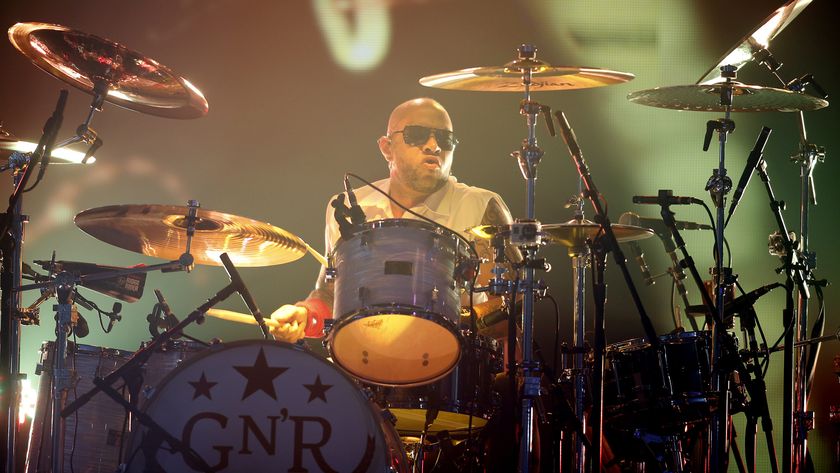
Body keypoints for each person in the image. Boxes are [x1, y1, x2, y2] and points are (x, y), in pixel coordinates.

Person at [269, 97, 516, 342]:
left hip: (451, 366)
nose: (433, 145)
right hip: (365, 360)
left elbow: (514, 306)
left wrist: (441, 319)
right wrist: (305, 314)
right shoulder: (348, 205)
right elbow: (332, 293)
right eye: (417, 135)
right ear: (386, 147)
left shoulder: (480, 206)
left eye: (445, 138)